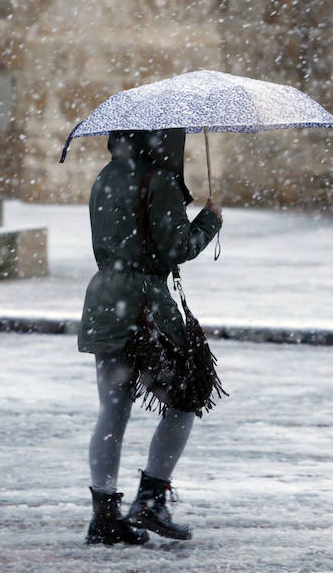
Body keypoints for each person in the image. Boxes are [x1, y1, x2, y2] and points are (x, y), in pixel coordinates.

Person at [77, 128, 223, 545]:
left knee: (112, 411)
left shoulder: (105, 176)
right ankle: (151, 499)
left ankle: (104, 515)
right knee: (185, 398)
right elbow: (176, 248)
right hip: (144, 305)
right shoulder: (157, 180)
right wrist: (210, 218)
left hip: (104, 298)